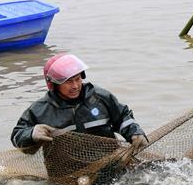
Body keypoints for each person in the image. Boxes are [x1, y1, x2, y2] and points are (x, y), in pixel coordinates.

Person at [11, 53, 147, 151]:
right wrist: (31, 134)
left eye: (77, 79)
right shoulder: (40, 110)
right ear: (54, 84)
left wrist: (135, 132)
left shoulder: (100, 97)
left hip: (108, 159)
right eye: (69, 81)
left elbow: (123, 117)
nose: (75, 85)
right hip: (66, 169)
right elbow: (17, 136)